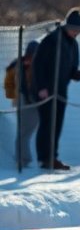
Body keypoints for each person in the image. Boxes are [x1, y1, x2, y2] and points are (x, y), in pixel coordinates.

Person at [33, 7, 80, 170]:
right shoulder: (52, 39)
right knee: (47, 123)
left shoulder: (73, 44)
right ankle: (45, 158)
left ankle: (52, 156)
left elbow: (70, 66)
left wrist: (75, 74)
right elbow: (38, 65)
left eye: (79, 30)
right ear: (67, 25)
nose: (76, 33)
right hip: (46, 91)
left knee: (57, 124)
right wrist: (41, 87)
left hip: (61, 90)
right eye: (74, 29)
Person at [4, 40, 40, 168]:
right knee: (24, 131)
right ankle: (23, 158)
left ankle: (22, 157)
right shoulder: (17, 65)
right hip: (23, 99)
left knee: (26, 130)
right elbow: (9, 81)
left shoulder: (40, 64)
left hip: (34, 99)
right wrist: (13, 96)